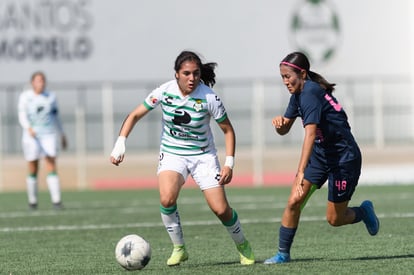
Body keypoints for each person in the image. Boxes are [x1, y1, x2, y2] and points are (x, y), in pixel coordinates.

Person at [110, 50, 255, 266]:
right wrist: (120, 143)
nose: (192, 78)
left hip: (203, 156)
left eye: (196, 73)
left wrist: (229, 164)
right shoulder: (164, 91)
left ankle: (242, 244)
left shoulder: (209, 97)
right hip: (172, 153)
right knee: (167, 198)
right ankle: (179, 248)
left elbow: (228, 131)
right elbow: (135, 115)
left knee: (221, 209)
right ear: (176, 74)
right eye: (186, 73)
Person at [264, 52, 380, 264]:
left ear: (303, 74)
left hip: (343, 157)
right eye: (282, 77)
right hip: (320, 155)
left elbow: (309, 134)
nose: (285, 81)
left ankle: (364, 212)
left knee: (335, 219)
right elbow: (286, 129)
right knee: (293, 201)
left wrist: (300, 172)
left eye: (288, 76)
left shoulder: (309, 93)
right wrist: (280, 126)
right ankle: (283, 254)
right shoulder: (298, 95)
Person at [18, 71, 67, 210]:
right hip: (31, 136)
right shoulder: (25, 97)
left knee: (51, 163)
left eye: (43, 80)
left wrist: (62, 133)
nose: (41, 83)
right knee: (33, 166)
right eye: (38, 80)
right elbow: (22, 115)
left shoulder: (51, 97)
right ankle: (32, 202)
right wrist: (28, 128)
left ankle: (56, 201)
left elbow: (56, 117)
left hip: (49, 135)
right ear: (32, 82)